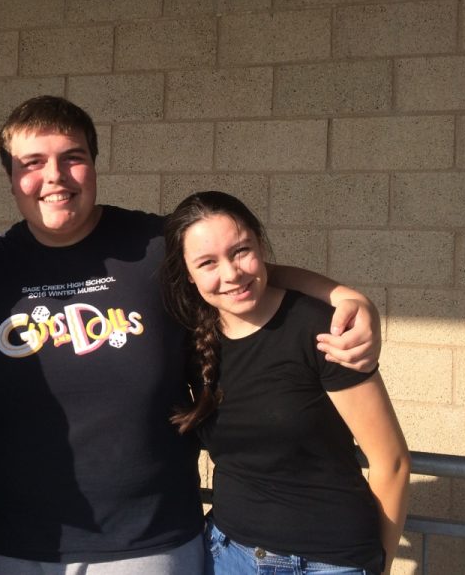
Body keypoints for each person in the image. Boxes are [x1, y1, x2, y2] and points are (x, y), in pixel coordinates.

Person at [0, 95, 382, 574]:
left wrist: (348, 297)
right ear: (11, 178)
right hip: (6, 545)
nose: (54, 176)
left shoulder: (156, 248)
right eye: (33, 163)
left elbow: (245, 274)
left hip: (148, 542)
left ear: (94, 165)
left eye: (72, 158)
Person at [161, 190, 410, 575]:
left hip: (328, 563)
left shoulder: (322, 329)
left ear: (261, 245)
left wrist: (379, 564)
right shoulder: (191, 336)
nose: (230, 274)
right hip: (227, 555)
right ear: (189, 276)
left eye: (241, 250)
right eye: (207, 262)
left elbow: (390, 462)